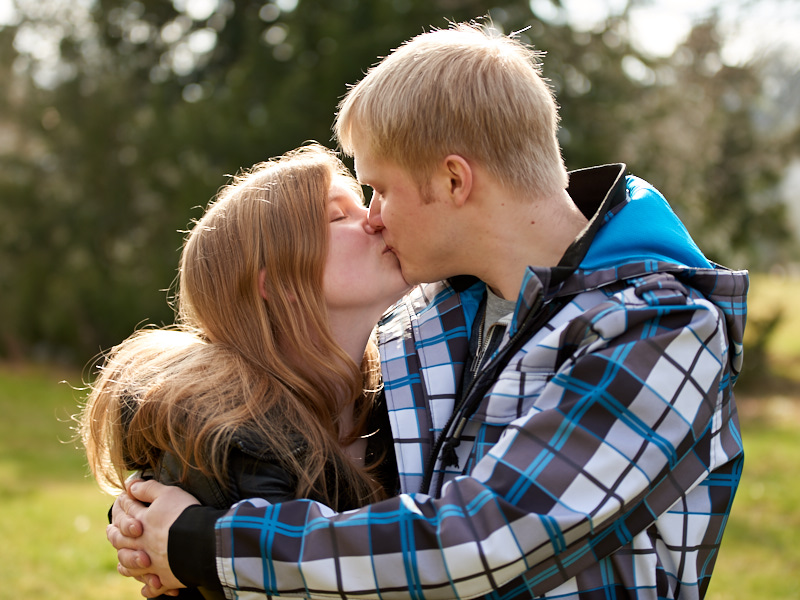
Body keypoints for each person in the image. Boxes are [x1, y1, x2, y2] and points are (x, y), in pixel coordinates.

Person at [109, 23, 748, 599]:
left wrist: (209, 544)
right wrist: (152, 502)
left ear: (453, 180)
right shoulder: (438, 310)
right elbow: (283, 407)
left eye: (380, 189)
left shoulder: (660, 329)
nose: (375, 217)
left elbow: (482, 539)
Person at [79, 143, 410, 599]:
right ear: (276, 282)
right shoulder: (230, 445)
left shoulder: (410, 393)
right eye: (338, 217)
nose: (375, 218)